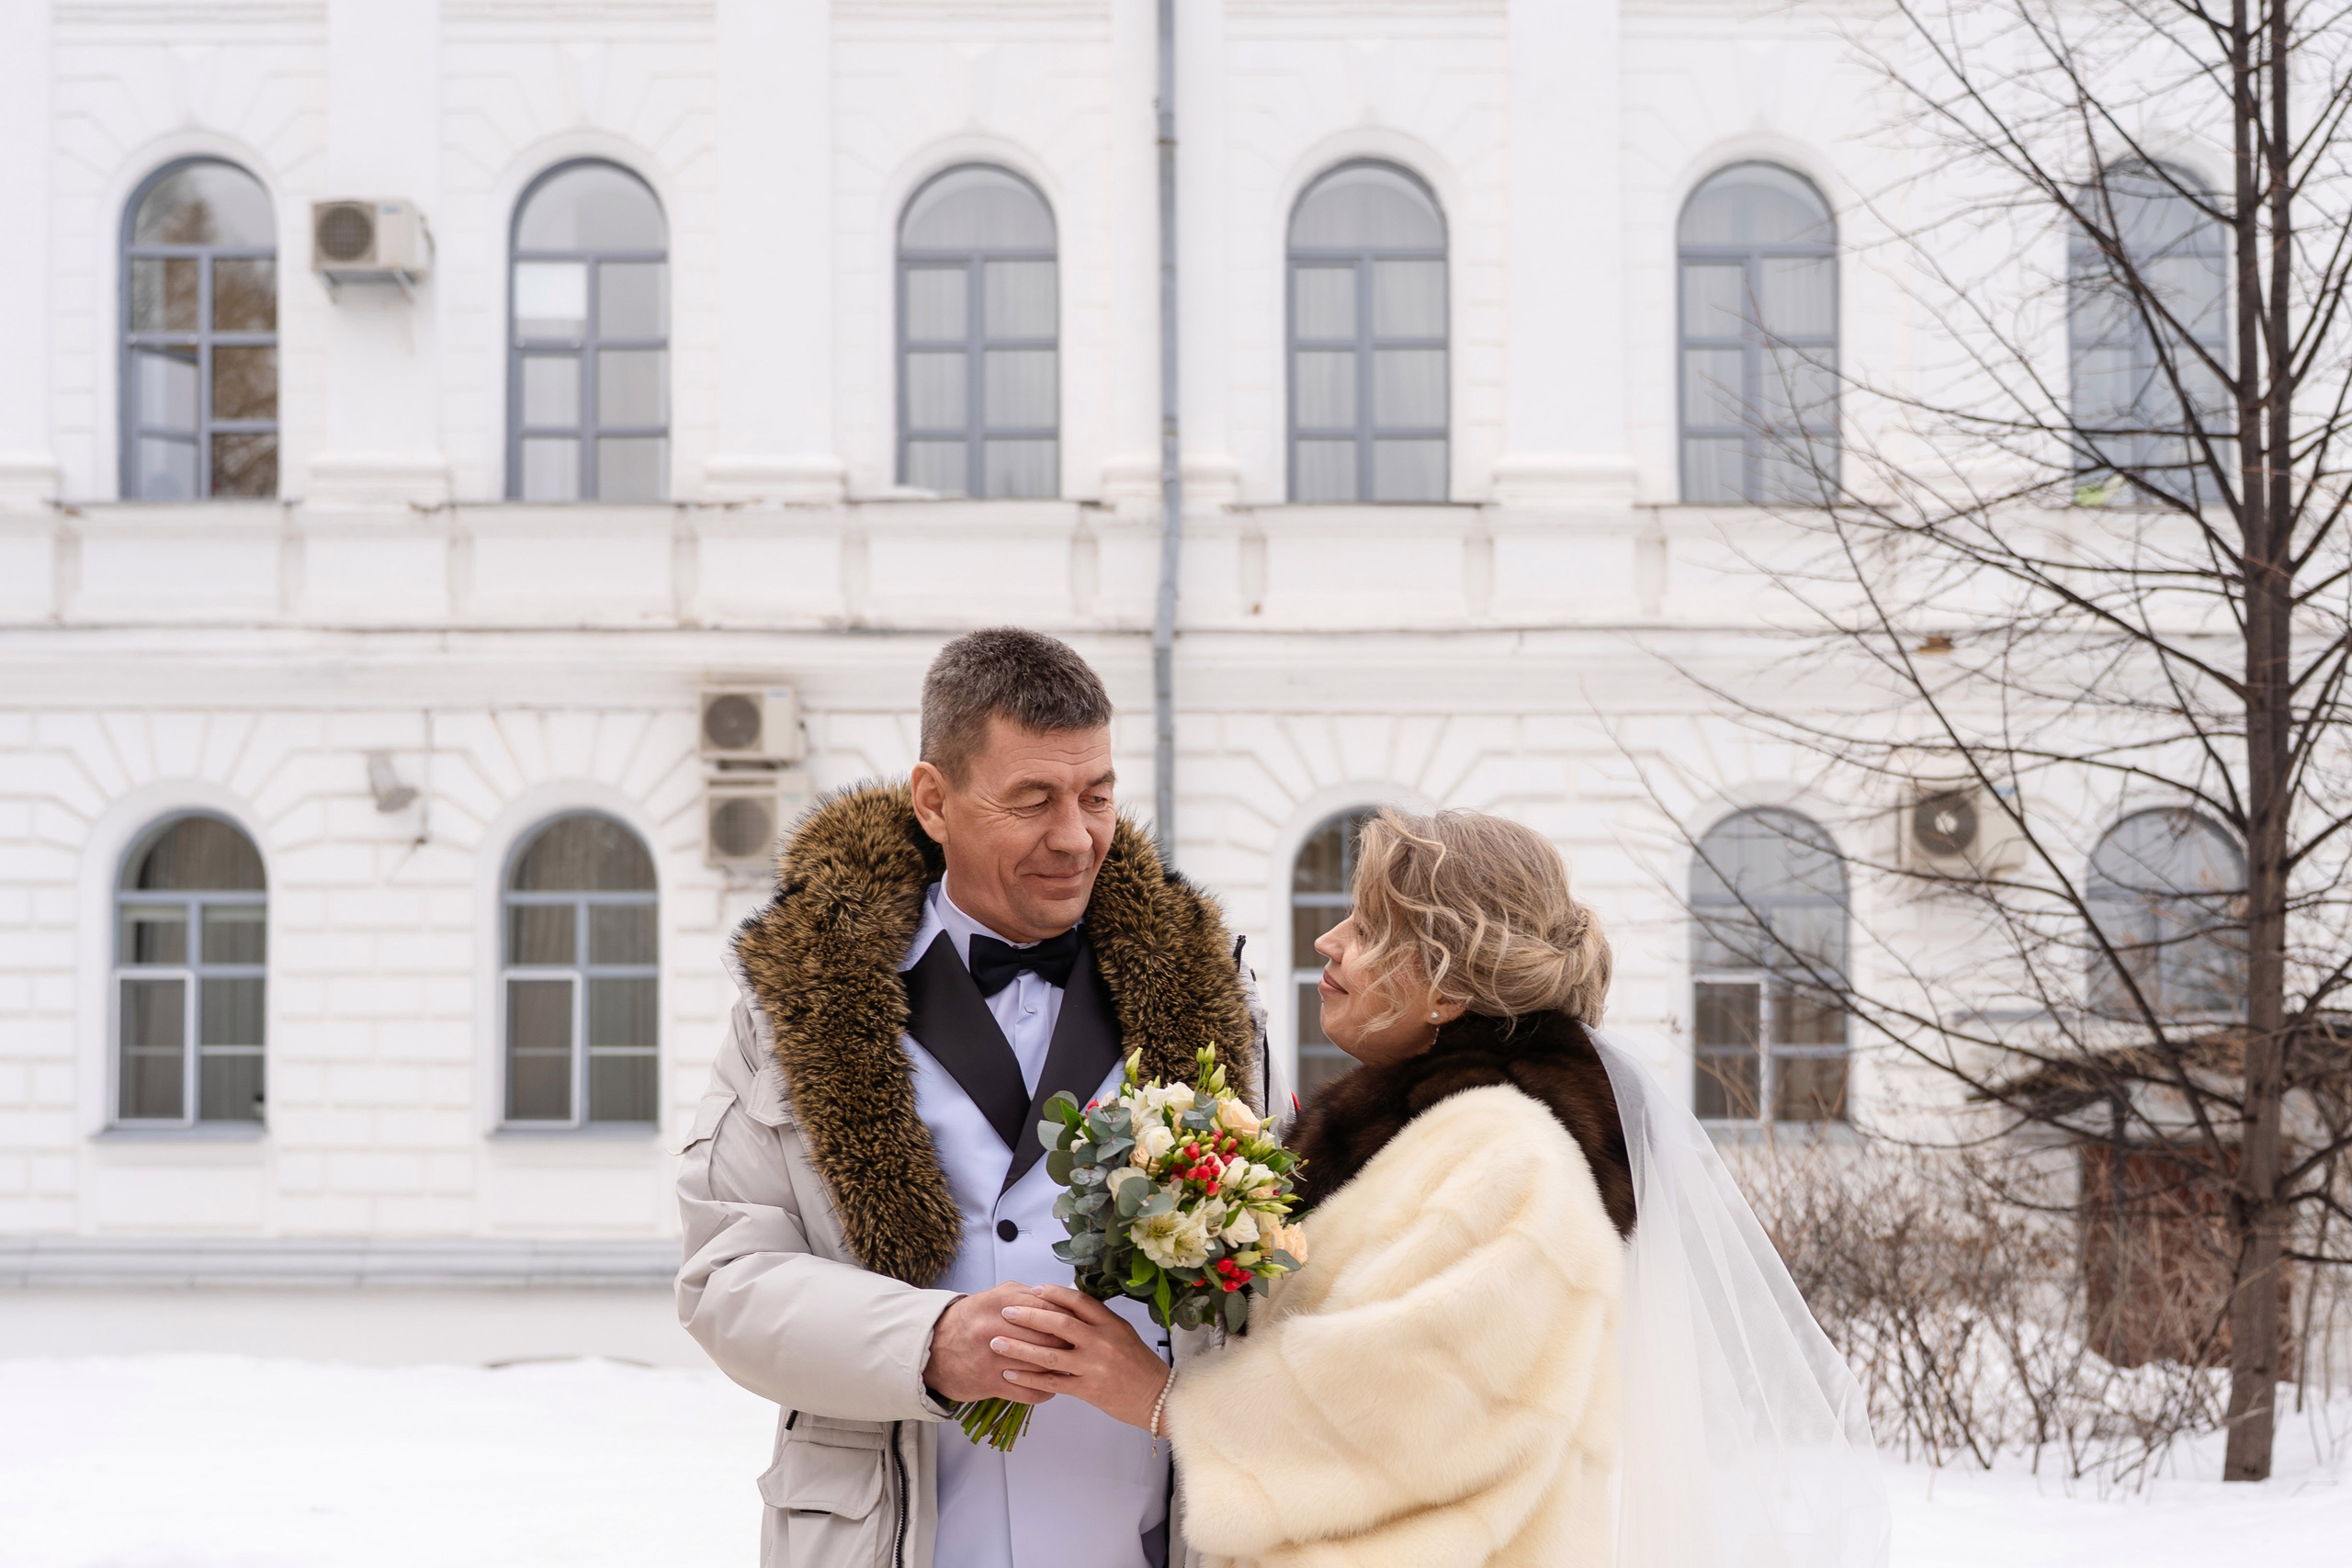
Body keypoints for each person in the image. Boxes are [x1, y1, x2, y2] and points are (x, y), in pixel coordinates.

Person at [994, 807, 1891, 1568]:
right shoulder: (1419, 1138)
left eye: (1370, 928)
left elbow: (1408, 1404)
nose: (1327, 941)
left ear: (1451, 986)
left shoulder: (1509, 1156)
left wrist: (1158, 1396)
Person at [675, 627, 1266, 1568]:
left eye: (1097, 795)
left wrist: (1164, 1392)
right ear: (933, 800)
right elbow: (727, 1280)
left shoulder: (1213, 999)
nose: (1075, 838)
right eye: (1032, 799)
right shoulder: (798, 999)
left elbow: (1263, 1286)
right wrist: (928, 1339)